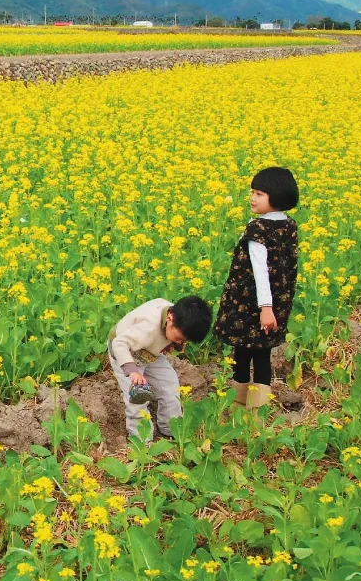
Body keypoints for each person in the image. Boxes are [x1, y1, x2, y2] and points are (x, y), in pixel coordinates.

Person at [212, 167, 300, 410]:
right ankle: (257, 412)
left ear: (277, 197)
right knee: (263, 353)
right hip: (277, 301)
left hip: (250, 305)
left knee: (243, 352)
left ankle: (239, 404)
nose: (252, 198)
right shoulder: (289, 225)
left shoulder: (257, 229)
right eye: (252, 192)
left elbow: (260, 271)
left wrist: (265, 308)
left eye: (259, 193)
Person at [107, 295, 213, 441]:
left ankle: (172, 427)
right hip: (125, 353)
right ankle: (141, 441)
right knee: (138, 396)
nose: (181, 342)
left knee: (170, 385)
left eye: (185, 341)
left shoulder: (178, 317)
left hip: (150, 353)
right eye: (180, 338)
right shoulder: (148, 327)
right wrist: (132, 371)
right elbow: (119, 343)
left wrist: (174, 343)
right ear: (170, 317)